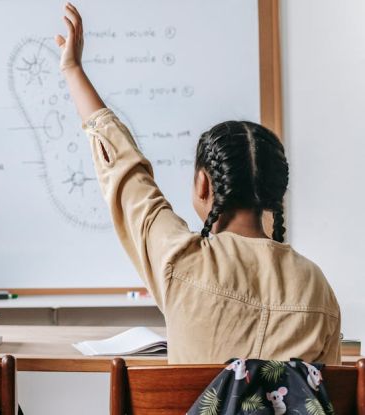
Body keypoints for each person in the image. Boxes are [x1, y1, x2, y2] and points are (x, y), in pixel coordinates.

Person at [55, 3, 340, 363]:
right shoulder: (316, 287)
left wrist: (73, 69)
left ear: (203, 184)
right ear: (275, 191)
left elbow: (127, 173)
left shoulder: (181, 261)